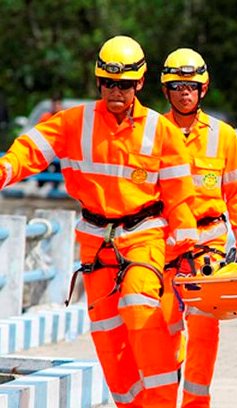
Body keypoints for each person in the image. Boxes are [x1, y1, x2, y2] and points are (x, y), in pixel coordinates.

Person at [0, 35, 197, 407]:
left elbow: (180, 199)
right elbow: (30, 151)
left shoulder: (161, 132)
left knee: (141, 311)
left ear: (139, 83)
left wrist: (187, 252)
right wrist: (5, 169)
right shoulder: (75, 122)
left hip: (143, 236)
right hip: (96, 242)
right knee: (108, 336)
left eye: (123, 85)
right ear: (98, 83)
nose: (115, 92)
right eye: (108, 83)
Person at [159, 48, 237, 407]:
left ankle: (196, 403)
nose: (185, 92)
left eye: (192, 86)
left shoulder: (224, 136)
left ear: (204, 89)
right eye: (177, 86)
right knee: (164, 332)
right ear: (166, 90)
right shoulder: (153, 132)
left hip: (209, 250)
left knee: (203, 332)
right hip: (164, 247)